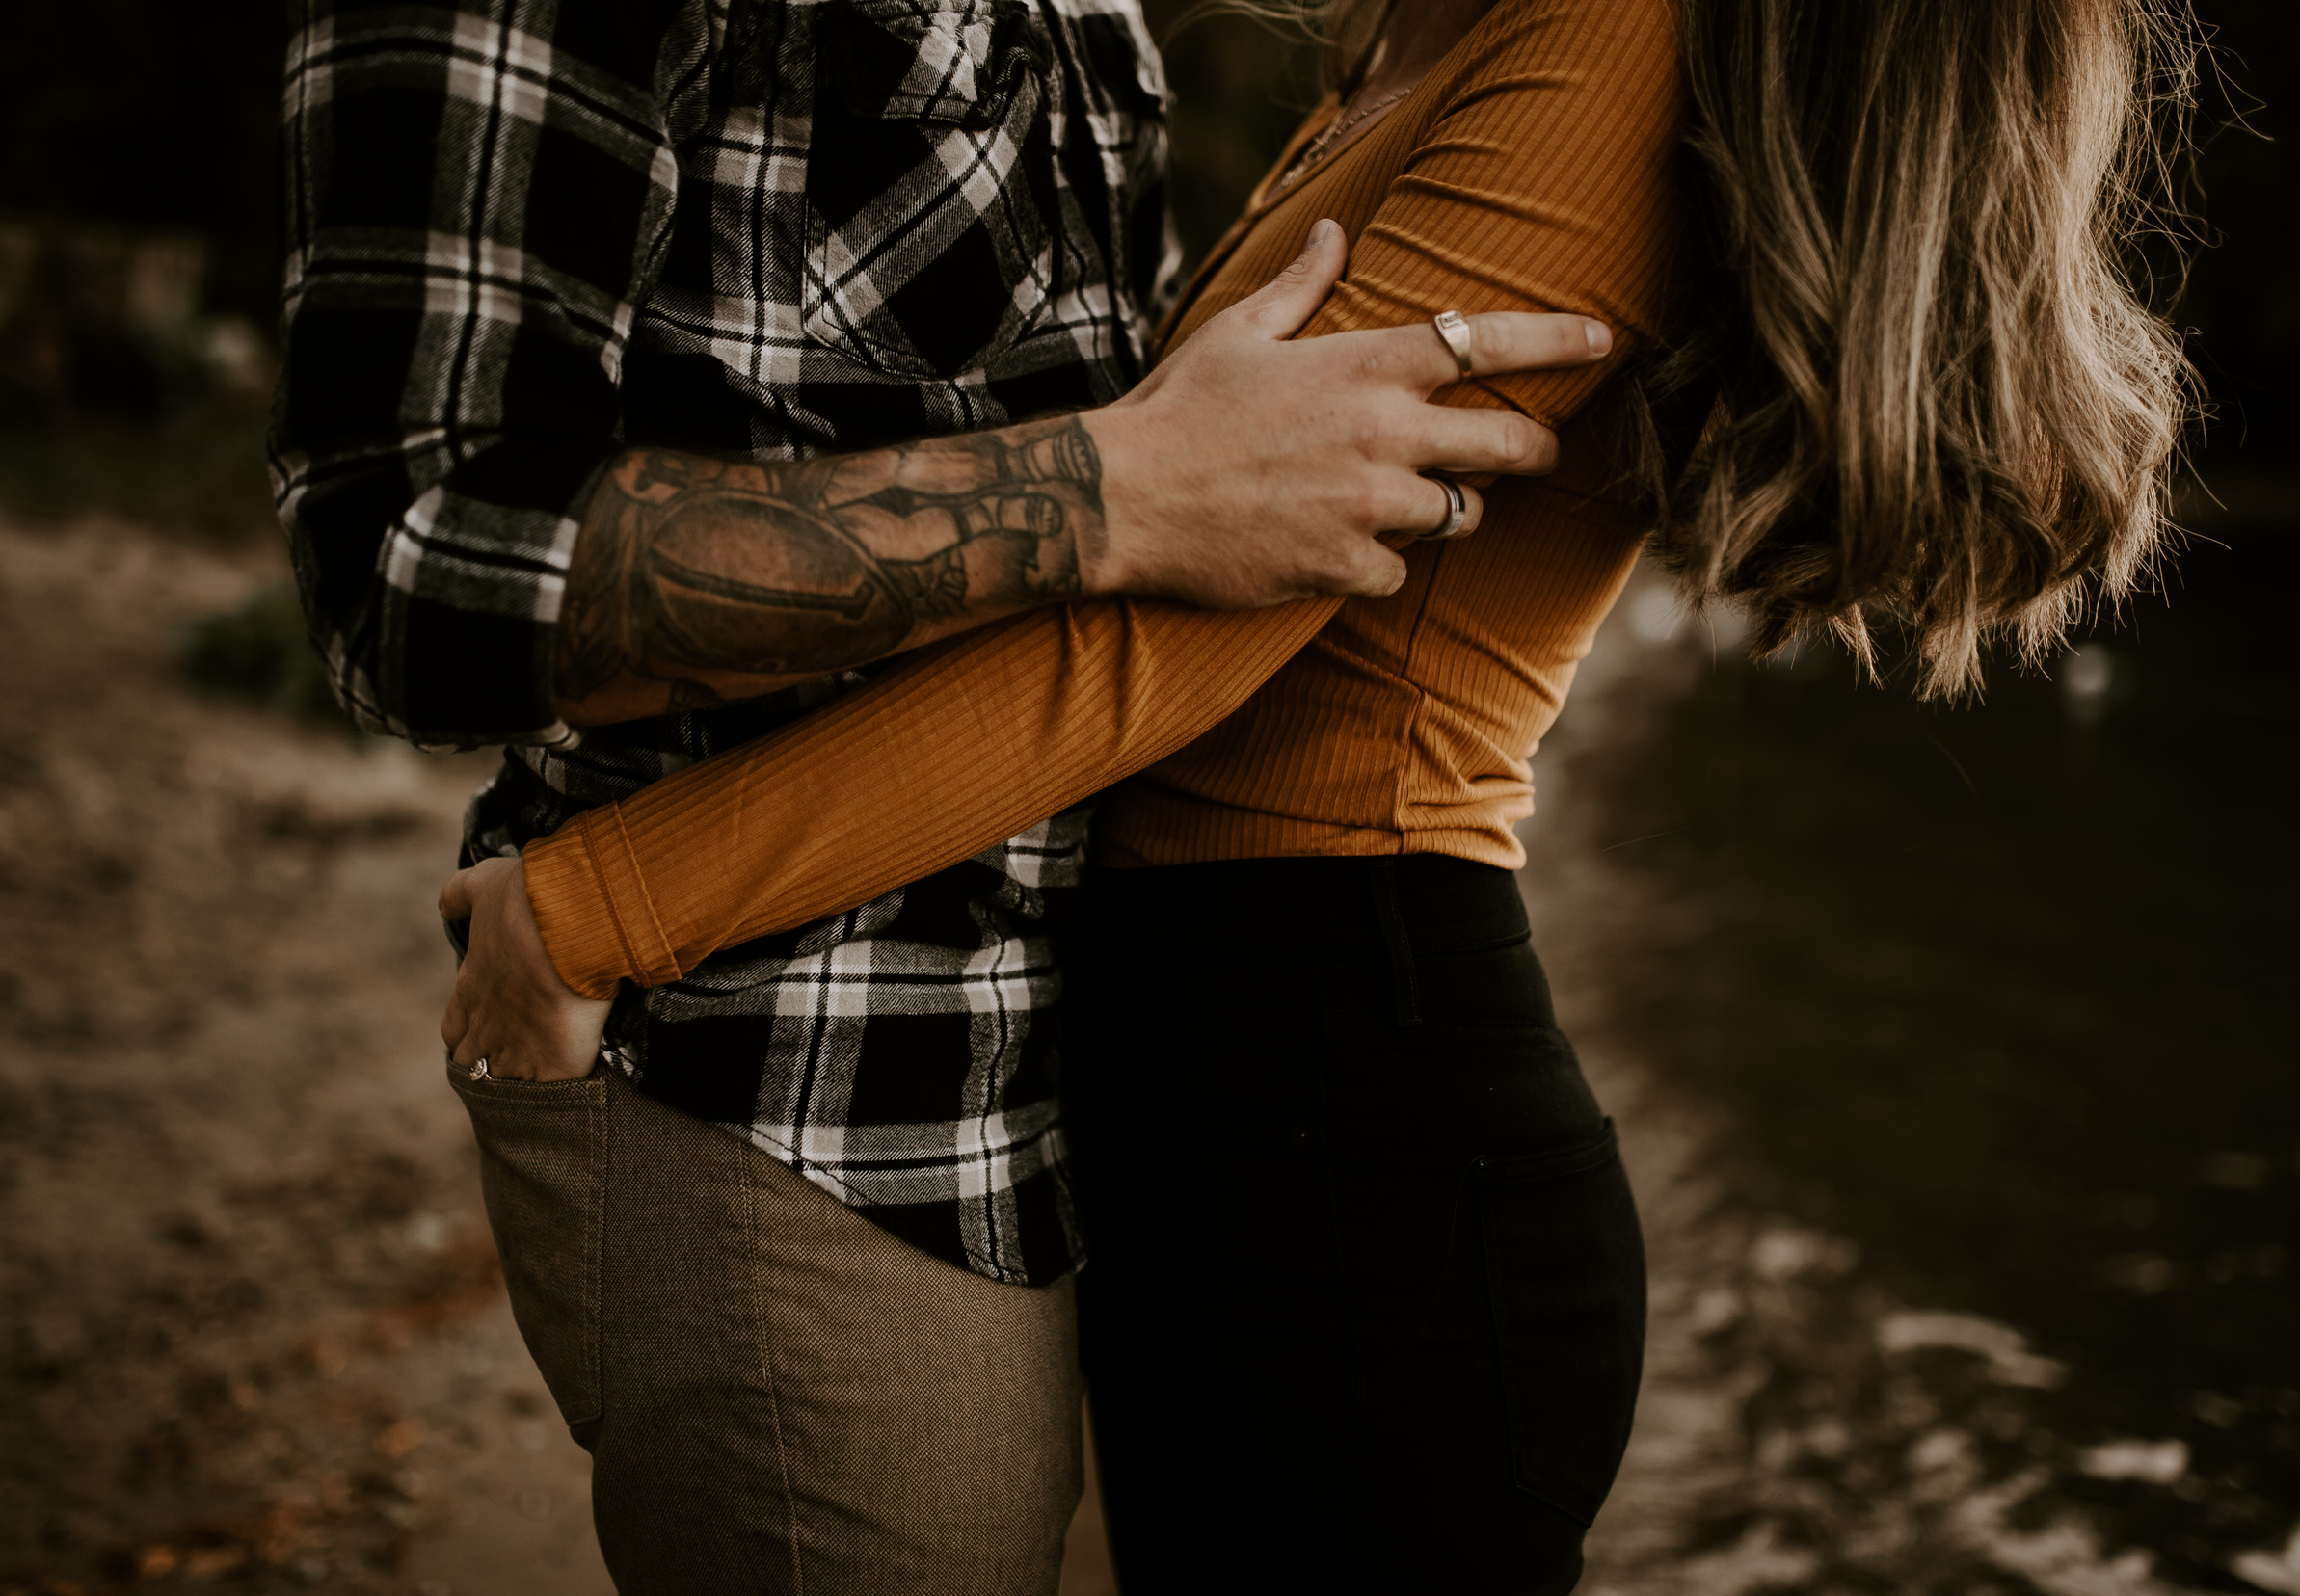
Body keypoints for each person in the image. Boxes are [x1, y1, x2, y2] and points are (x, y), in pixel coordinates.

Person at [433, 0, 2196, 1586]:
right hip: (1229, 1086)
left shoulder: (1609, 40)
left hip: (1356, 1122)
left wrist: (603, 906)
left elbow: (1173, 644)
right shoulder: (1438, 41)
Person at [270, 0, 1615, 1590]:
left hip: (1087, 1088)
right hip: (784, 1076)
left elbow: (1193, 545)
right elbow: (414, 564)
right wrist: (1111, 496)